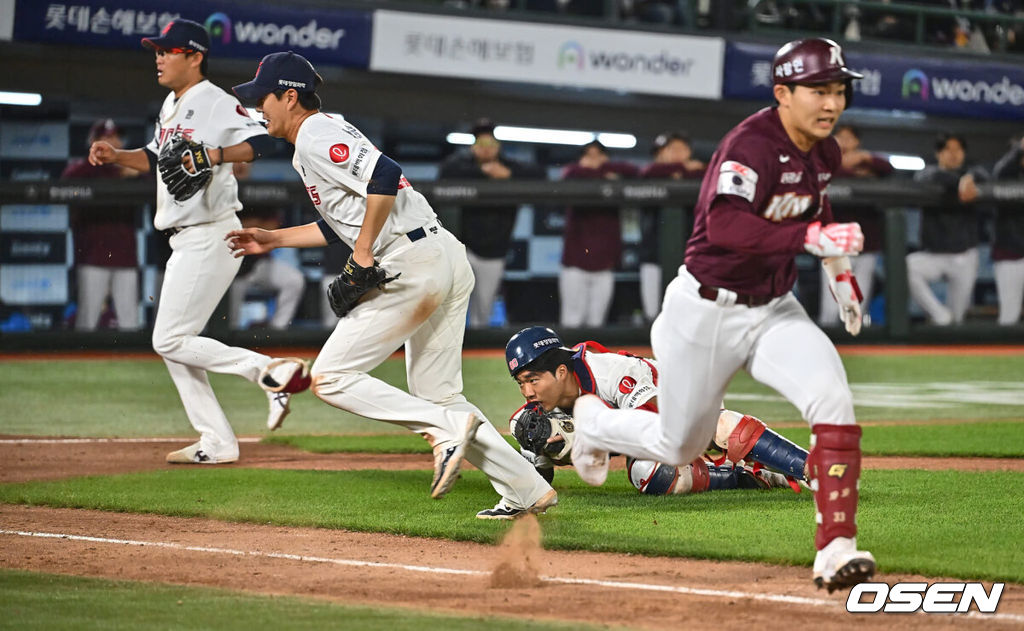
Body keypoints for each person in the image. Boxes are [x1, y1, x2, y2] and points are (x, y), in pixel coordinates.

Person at [567, 38, 875, 592]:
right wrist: (812, 237)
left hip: (776, 306)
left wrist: (839, 271)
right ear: (783, 93)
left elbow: (814, 205)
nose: (831, 103)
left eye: (837, 91)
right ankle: (593, 422)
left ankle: (836, 548)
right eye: (817, 91)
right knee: (680, 446)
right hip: (707, 311)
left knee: (834, 400)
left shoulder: (824, 151)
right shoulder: (750, 145)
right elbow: (728, 227)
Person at [224, 51, 557, 519]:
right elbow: (351, 216)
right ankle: (524, 487)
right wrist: (274, 239)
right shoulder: (320, 136)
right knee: (438, 394)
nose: (259, 107)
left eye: (264, 97)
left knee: (331, 376)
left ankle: (443, 430)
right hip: (438, 253)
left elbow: (384, 174)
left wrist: (361, 253)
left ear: (291, 96)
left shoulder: (316, 133)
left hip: (412, 259)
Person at [88, 20, 311, 463]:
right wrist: (118, 156)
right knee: (177, 343)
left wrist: (214, 154)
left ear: (195, 56)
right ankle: (217, 441)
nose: (159, 57)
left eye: (168, 50)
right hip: (187, 236)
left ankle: (269, 370)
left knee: (168, 339)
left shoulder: (214, 99)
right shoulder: (173, 102)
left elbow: (262, 142)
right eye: (157, 51)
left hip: (212, 232)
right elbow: (155, 158)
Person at [504, 326, 809, 495]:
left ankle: (812, 468)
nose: (528, 392)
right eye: (521, 383)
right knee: (650, 475)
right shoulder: (533, 418)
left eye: (533, 380)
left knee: (726, 429)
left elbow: (653, 425)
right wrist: (537, 456)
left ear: (560, 372)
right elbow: (537, 484)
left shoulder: (612, 373)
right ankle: (745, 477)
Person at [438, 119, 545, 327]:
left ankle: (476, 349)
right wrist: (482, 171)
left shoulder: (511, 167)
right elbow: (445, 172)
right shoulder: (461, 166)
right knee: (450, 303)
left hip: (495, 251)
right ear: (473, 147)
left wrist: (508, 175)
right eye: (481, 144)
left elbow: (541, 176)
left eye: (490, 144)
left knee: (483, 310)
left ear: (498, 146)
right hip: (462, 247)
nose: (486, 150)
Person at [63, 118, 143, 331]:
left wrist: (134, 170)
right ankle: (79, 364)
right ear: (93, 141)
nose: (111, 141)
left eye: (114, 136)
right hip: (92, 256)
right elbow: (64, 185)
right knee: (87, 321)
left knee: (130, 322)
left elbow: (156, 185)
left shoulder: (132, 170)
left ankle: (131, 364)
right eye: (104, 137)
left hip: (126, 257)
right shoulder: (82, 170)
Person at [907, 133, 988, 325]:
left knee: (958, 319)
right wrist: (959, 182)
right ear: (938, 153)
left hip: (964, 255)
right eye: (948, 149)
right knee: (907, 266)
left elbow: (985, 174)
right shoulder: (929, 173)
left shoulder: (972, 174)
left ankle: (949, 324)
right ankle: (939, 315)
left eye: (958, 149)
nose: (953, 154)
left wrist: (969, 178)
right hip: (934, 255)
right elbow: (926, 176)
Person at [818, 124, 893, 328]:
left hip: (865, 245)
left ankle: (857, 353)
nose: (844, 142)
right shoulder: (825, 162)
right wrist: (852, 171)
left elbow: (888, 168)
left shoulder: (869, 163)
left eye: (849, 138)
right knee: (830, 309)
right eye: (840, 137)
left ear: (857, 142)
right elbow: (827, 175)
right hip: (835, 246)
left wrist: (865, 158)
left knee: (859, 304)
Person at [559, 141, 638, 327]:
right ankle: (568, 358)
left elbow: (635, 171)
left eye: (599, 156)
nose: (594, 160)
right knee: (571, 321)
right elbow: (568, 173)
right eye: (589, 156)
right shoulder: (575, 176)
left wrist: (601, 167)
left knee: (597, 324)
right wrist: (603, 172)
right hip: (575, 265)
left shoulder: (615, 177)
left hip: (604, 266)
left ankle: (590, 358)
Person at [638, 132, 706, 322]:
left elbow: (709, 172)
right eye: (671, 149)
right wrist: (683, 168)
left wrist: (684, 171)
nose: (677, 153)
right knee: (653, 314)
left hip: (690, 257)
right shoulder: (651, 173)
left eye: (682, 149)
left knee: (688, 313)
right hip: (653, 254)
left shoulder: (697, 175)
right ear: (659, 154)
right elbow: (646, 173)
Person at [228, 162, 305, 330]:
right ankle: (230, 339)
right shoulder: (222, 190)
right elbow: (229, 228)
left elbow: (272, 225)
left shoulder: (260, 189)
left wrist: (245, 225)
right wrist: (254, 224)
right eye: (235, 162)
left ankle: (276, 330)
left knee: (294, 280)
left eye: (245, 162)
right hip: (230, 268)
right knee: (230, 320)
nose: (241, 166)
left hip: (259, 263)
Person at [991, 135, 1024, 325]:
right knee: (1009, 317)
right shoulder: (1006, 174)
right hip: (1010, 254)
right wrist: (1019, 149)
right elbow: (1000, 172)